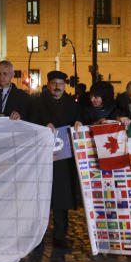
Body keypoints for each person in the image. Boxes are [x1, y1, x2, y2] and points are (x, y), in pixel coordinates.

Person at [29, 71, 84, 248]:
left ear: (65, 85)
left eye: (60, 83)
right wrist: (44, 124)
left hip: (63, 156)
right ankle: (38, 232)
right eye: (54, 83)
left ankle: (60, 233)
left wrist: (79, 122)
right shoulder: (38, 102)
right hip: (41, 155)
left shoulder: (72, 103)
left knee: (62, 196)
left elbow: (80, 117)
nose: (57, 87)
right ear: (48, 84)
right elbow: (30, 120)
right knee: (40, 195)